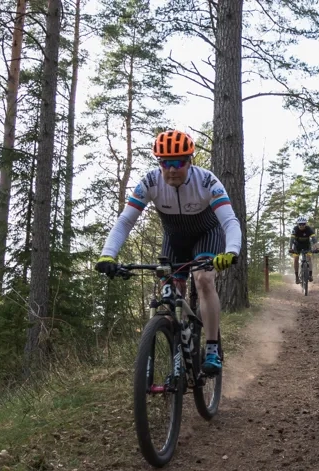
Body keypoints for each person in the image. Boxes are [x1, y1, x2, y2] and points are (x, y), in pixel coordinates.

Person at [94, 129, 240, 375]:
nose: (172, 169)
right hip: (174, 240)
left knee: (203, 279)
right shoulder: (151, 182)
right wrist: (108, 255)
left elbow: (229, 221)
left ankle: (212, 347)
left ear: (190, 161)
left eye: (178, 162)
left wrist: (231, 251)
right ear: (158, 163)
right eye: (165, 163)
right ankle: (178, 344)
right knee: (170, 290)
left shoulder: (206, 181)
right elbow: (125, 222)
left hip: (207, 235)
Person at [289, 216, 316, 284]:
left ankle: (310, 275)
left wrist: (317, 247)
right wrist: (290, 248)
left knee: (309, 258)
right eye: (300, 224)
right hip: (297, 246)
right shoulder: (295, 229)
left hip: (307, 245)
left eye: (303, 224)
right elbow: (292, 240)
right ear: (297, 224)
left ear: (305, 224)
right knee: (296, 259)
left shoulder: (308, 229)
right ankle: (297, 277)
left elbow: (314, 239)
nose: (301, 225)